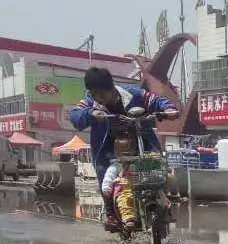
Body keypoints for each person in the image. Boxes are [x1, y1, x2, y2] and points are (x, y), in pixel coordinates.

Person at [68, 67, 179, 233]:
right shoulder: (90, 102)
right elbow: (75, 116)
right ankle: (111, 213)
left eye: (102, 94)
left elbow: (155, 100)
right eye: (94, 94)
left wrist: (168, 109)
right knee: (107, 178)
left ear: (111, 88)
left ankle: (164, 203)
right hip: (110, 151)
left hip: (143, 143)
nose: (99, 98)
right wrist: (90, 113)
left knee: (158, 171)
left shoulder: (134, 94)